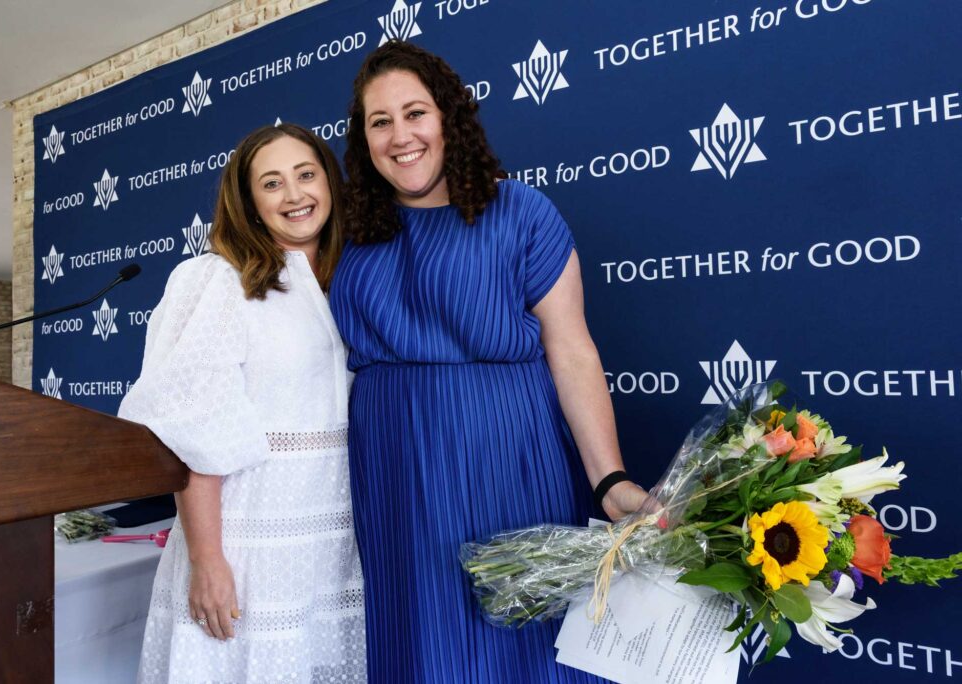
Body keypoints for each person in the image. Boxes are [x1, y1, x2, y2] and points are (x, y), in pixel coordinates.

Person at [329, 42, 654, 683]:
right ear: (363, 138)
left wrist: (608, 478)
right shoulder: (347, 231)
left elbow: (572, 349)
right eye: (380, 121)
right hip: (393, 467)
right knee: (418, 634)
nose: (401, 136)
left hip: (509, 451)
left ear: (449, 117)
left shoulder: (522, 212)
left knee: (523, 636)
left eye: (415, 113)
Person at [118, 124, 366, 683]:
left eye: (306, 175)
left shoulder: (352, 276)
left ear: (330, 180)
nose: (295, 195)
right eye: (272, 183)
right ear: (249, 202)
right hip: (247, 540)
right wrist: (208, 560)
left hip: (334, 542)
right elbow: (196, 427)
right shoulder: (220, 280)